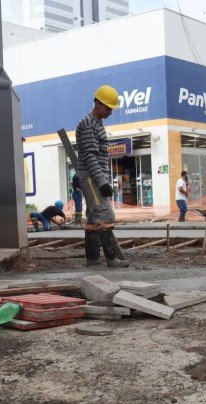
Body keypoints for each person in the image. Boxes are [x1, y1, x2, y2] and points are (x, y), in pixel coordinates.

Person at [75, 85, 128, 267]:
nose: (110, 112)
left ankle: (93, 259)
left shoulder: (95, 123)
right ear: (97, 103)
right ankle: (111, 259)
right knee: (105, 215)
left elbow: (89, 155)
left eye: (111, 108)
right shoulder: (89, 124)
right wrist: (102, 182)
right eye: (107, 107)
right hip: (92, 178)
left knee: (93, 218)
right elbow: (90, 156)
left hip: (90, 176)